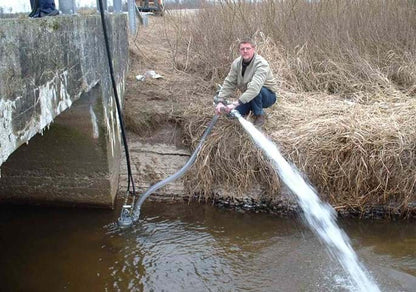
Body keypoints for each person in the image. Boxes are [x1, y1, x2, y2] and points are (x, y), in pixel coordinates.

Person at [215, 38, 278, 127]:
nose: (245, 51)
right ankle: (251, 108)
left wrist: (235, 103)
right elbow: (229, 82)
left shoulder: (261, 64)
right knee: (232, 114)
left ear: (253, 49)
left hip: (267, 96)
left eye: (248, 48)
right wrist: (221, 100)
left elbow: (255, 88)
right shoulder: (236, 63)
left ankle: (259, 115)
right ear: (239, 50)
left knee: (256, 89)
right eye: (242, 49)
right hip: (250, 96)